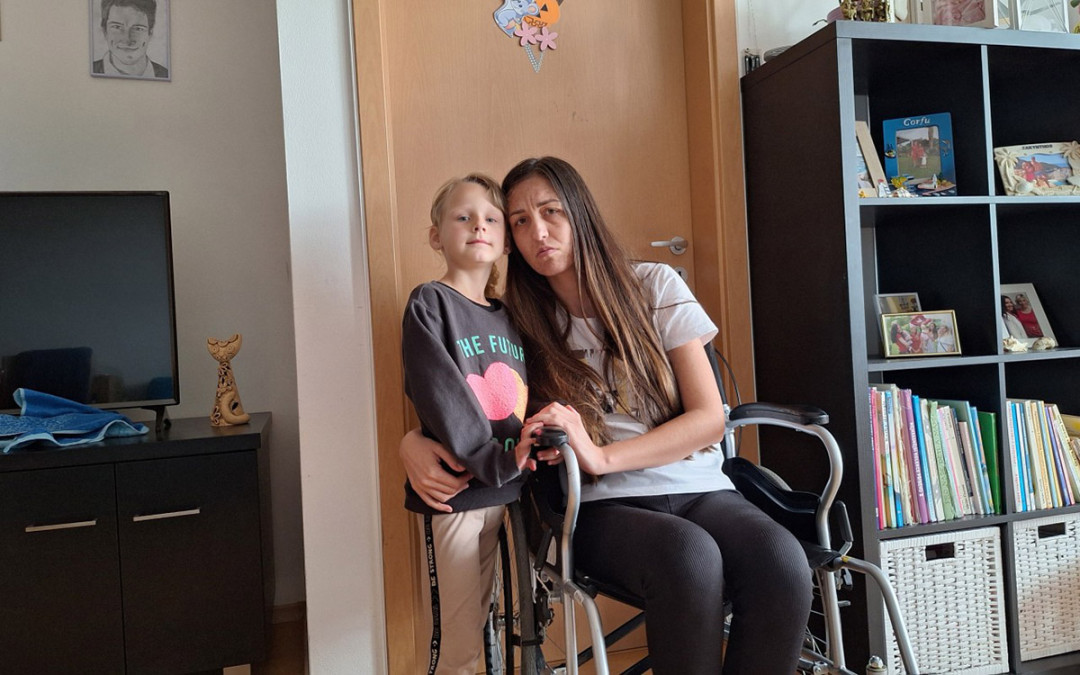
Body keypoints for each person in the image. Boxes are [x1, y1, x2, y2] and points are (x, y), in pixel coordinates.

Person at [402, 157, 812, 674]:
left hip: (701, 487)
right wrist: (411, 440)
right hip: (597, 505)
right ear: (509, 241)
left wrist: (602, 455)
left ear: (580, 212)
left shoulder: (655, 286)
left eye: (551, 211)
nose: (539, 232)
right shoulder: (516, 321)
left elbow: (709, 419)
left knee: (783, 563)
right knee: (688, 557)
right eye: (521, 221)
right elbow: (476, 400)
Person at [400, 173, 541, 675]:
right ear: (436, 236)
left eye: (491, 219)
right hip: (457, 493)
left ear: (506, 241)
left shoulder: (512, 317)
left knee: (493, 627)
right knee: (457, 639)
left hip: (508, 493)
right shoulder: (430, 303)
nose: (478, 226)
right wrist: (496, 460)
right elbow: (439, 393)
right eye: (463, 217)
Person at [93, 0, 169, 79]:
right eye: (117, 27)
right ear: (105, 31)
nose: (127, 40)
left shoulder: (166, 74)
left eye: (138, 29)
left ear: (150, 33)